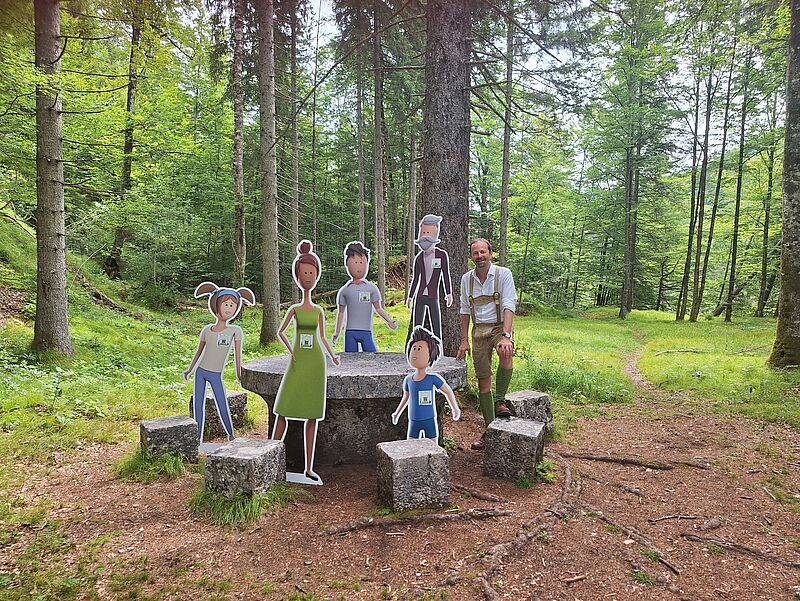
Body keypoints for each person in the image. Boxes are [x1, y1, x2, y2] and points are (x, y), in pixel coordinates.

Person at [272, 240, 340, 484]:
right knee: (283, 409)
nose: (308, 278)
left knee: (312, 414)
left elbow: (322, 336)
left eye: (311, 273)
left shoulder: (319, 311)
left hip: (315, 363)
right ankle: (269, 454)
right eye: (304, 274)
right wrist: (291, 350)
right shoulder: (295, 309)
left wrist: (332, 355)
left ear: (317, 275)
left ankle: (309, 468)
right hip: (298, 361)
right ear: (297, 277)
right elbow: (281, 332)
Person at [455, 238, 517, 450]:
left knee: (505, 351)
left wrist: (506, 335)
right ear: (471, 257)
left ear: (490, 253)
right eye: (475, 253)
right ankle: (491, 431)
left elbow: (509, 304)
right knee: (483, 381)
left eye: (483, 252)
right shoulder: (466, 279)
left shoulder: (503, 274)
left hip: (500, 326)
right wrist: (464, 340)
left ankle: (500, 401)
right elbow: (464, 310)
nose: (479, 256)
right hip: (479, 329)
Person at [183, 282, 256, 442]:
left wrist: (239, 374)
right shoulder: (206, 330)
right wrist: (189, 369)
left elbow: (238, 355)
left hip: (216, 374)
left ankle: (231, 434)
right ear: (216, 305)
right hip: (200, 372)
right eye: (226, 304)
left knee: (222, 403)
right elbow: (199, 352)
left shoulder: (235, 331)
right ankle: (198, 438)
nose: (229, 308)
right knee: (198, 406)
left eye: (232, 305)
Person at [392, 326, 460, 443]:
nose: (416, 351)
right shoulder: (408, 380)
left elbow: (447, 391)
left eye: (420, 349)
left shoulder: (433, 378)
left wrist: (455, 408)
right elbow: (406, 398)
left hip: (429, 419)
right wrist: (397, 413)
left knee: (433, 446)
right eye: (414, 348)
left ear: (430, 356)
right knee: (411, 445)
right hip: (413, 419)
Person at [332, 241, 398, 352]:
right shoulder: (345, 290)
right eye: (355, 262)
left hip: (366, 331)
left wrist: (389, 321)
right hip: (350, 331)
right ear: (347, 264)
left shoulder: (371, 289)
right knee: (350, 359)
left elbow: (378, 308)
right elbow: (341, 312)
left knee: (372, 356)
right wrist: (337, 332)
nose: (358, 266)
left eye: (361, 262)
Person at [406, 214, 452, 342]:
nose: (425, 235)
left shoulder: (442, 255)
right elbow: (416, 278)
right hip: (419, 297)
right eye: (423, 232)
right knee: (417, 327)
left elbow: (445, 275)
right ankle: (415, 348)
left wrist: (449, 293)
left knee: (436, 326)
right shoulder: (419, 258)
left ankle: (438, 350)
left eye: (428, 232)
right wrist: (410, 296)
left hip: (433, 296)